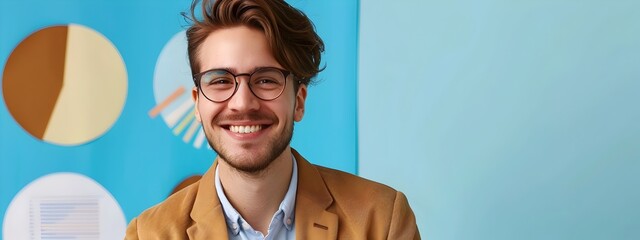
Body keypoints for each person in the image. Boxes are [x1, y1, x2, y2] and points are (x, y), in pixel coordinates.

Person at [125, 0, 420, 239]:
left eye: (266, 80)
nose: (242, 102)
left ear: (299, 102)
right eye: (221, 81)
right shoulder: (150, 234)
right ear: (197, 105)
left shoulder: (381, 221)